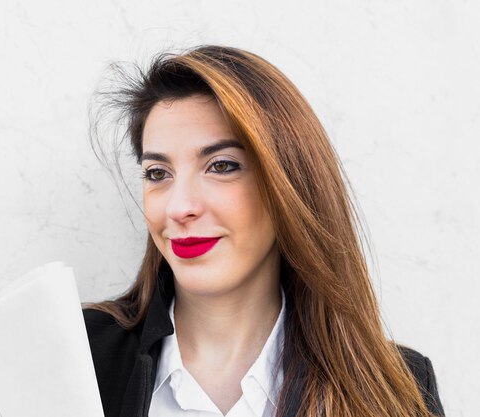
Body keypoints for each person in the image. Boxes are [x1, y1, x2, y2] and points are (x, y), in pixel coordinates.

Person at [82, 45, 445, 417]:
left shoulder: (395, 389)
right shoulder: (79, 355)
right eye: (158, 173)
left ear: (290, 184)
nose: (178, 208)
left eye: (221, 166)